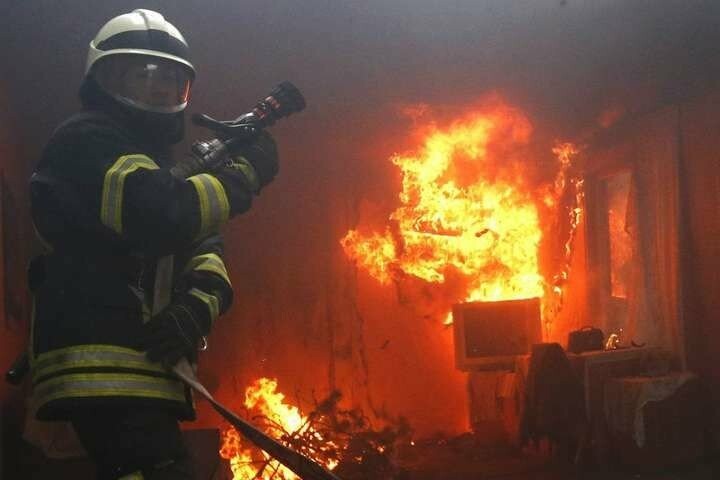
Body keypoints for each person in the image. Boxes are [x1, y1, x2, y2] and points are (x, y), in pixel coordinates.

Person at [27, 9, 277, 479]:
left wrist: (193, 310)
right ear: (104, 79)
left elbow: (205, 248)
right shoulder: (85, 141)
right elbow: (158, 212)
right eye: (141, 75)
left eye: (169, 79)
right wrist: (242, 177)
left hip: (144, 366)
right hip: (100, 363)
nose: (158, 89)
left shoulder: (154, 168)